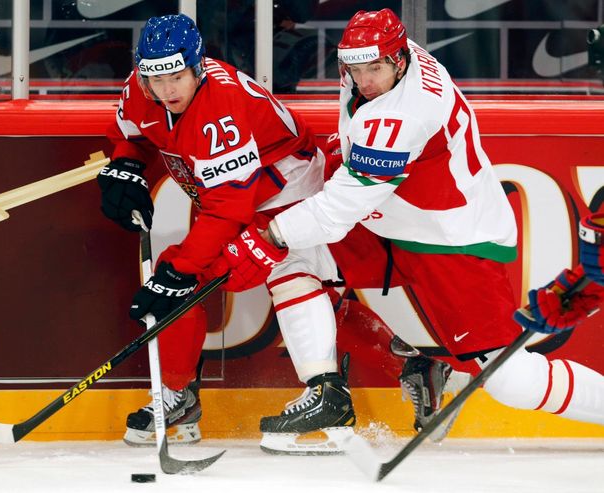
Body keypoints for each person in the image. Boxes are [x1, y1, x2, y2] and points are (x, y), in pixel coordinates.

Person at [216, 8, 604, 431]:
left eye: (374, 69)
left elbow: (338, 210)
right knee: (294, 260)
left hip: (452, 240)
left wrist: (269, 234)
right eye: (354, 68)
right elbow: (362, 146)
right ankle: (335, 391)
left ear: (399, 59)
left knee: (512, 381)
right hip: (394, 217)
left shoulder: (403, 116)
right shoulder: (388, 57)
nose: (363, 80)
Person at [96, 13, 450, 454]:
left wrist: (182, 268)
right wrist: (125, 164)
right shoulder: (141, 87)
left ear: (197, 67)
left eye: (176, 76)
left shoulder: (219, 109)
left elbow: (229, 207)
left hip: (286, 185)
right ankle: (408, 365)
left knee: (228, 275)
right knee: (298, 292)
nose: (166, 89)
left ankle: (181, 396)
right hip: (236, 192)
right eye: (155, 77)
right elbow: (132, 131)